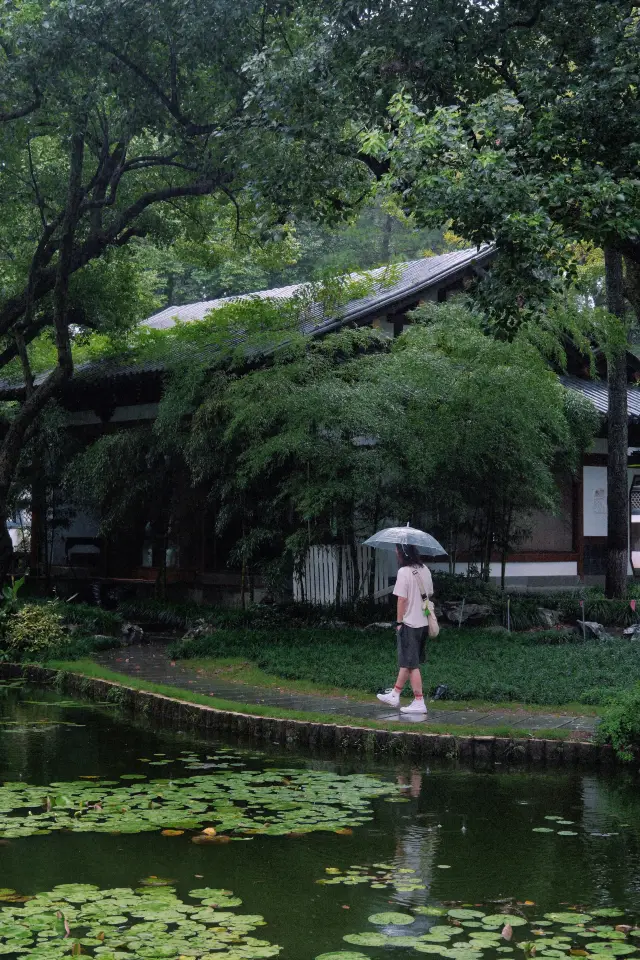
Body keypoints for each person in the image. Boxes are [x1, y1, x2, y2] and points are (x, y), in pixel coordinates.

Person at [377, 543, 434, 714]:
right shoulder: (425, 569)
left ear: (403, 553)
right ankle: (395, 693)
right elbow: (429, 593)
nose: (396, 553)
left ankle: (419, 701)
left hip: (409, 623)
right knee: (408, 660)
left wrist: (399, 622)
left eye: (397, 551)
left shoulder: (403, 572)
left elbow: (401, 600)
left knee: (411, 664)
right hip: (423, 623)